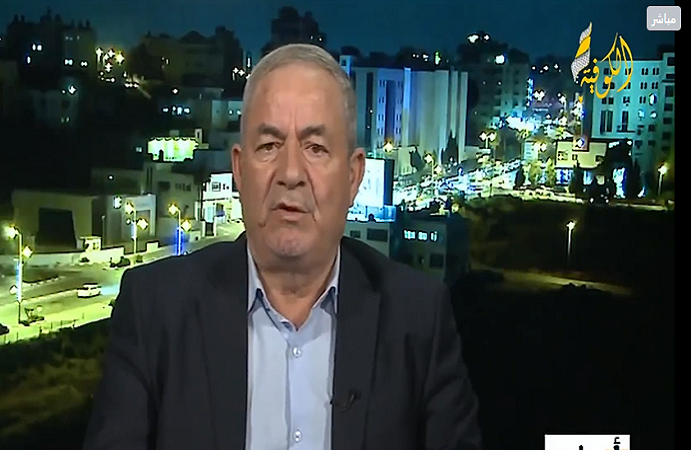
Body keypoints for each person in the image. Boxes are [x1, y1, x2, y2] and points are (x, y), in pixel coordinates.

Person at [84, 43, 481, 450]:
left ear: (353, 176)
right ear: (239, 170)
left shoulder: (418, 317)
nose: (290, 173)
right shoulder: (154, 310)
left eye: (316, 148)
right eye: (269, 146)